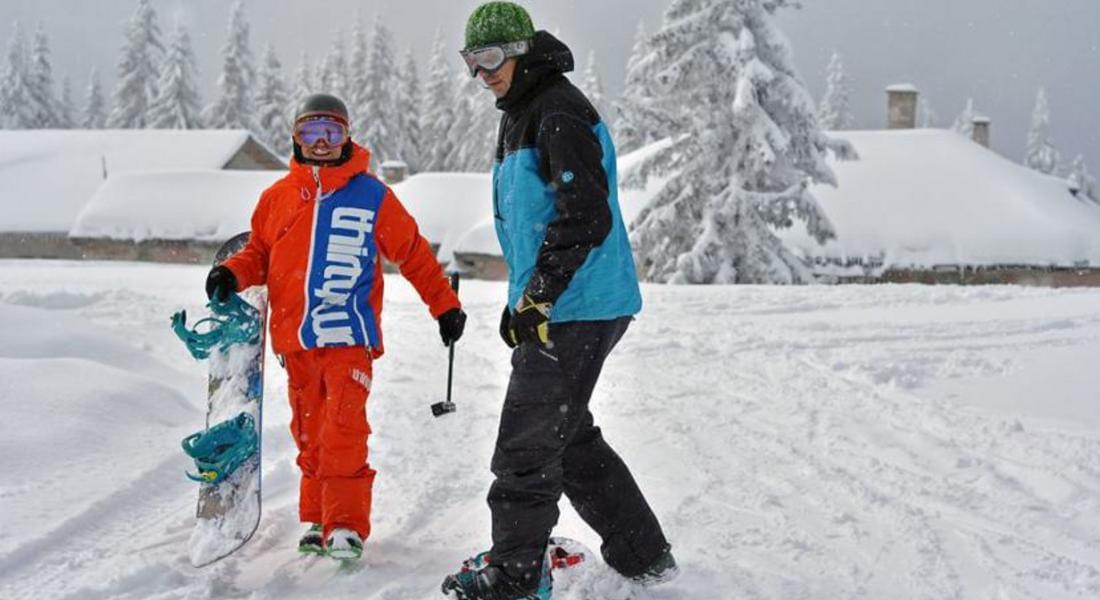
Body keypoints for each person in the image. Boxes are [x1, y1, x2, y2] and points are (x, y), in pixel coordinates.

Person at [442, 3, 675, 598]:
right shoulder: (525, 110)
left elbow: (584, 214)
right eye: (472, 61)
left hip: (580, 304)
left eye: (491, 58)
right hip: (570, 303)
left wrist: (540, 297)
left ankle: (516, 574)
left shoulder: (557, 111)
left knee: (526, 442)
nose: (482, 73)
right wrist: (522, 298)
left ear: (521, 50)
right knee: (566, 437)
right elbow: (534, 221)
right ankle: (643, 553)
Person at [205, 93, 467, 561]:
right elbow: (259, 255)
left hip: (350, 337)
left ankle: (345, 525)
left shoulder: (371, 195)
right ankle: (316, 519)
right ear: (295, 137)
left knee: (343, 430)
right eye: (311, 133)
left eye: (332, 132)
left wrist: (444, 306)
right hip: (296, 341)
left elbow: (413, 254)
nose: (321, 143)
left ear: (347, 136)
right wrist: (233, 272)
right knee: (309, 434)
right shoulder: (276, 199)